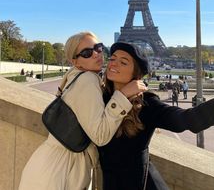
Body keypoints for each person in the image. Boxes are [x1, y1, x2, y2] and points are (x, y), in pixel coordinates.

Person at [98, 42, 214, 190]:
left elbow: (184, 119)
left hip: (139, 184)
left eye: (123, 62)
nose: (113, 64)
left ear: (136, 73)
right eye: (112, 58)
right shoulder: (98, 97)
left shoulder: (147, 104)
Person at [19, 32, 146, 190]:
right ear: (76, 62)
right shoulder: (88, 79)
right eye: (87, 53)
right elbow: (100, 136)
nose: (96, 54)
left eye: (98, 48)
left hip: (50, 165)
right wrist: (123, 95)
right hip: (62, 170)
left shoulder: (75, 75)